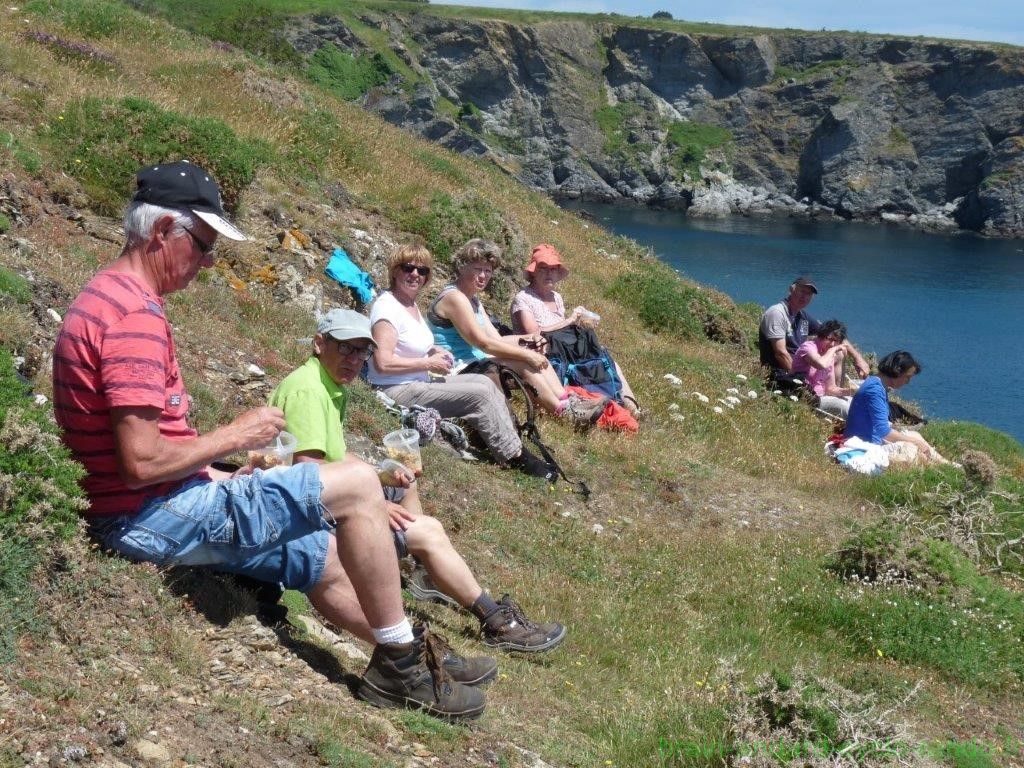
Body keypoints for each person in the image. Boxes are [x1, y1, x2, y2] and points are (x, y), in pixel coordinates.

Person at [51, 160, 485, 721]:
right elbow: (139, 463)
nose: (208, 262)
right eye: (204, 245)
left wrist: (220, 470)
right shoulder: (134, 317)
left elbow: (135, 453)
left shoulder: (107, 295)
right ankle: (403, 663)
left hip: (148, 503)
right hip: (145, 517)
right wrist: (235, 435)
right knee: (355, 485)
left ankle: (414, 659)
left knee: (325, 555)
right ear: (163, 232)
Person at [269, 308, 567, 654]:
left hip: (321, 499)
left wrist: (380, 470)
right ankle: (494, 619)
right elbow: (308, 474)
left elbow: (330, 456)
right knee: (428, 530)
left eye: (361, 351)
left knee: (404, 481)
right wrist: (375, 504)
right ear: (319, 344)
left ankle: (423, 567)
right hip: (305, 517)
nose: (354, 359)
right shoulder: (309, 392)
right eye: (345, 348)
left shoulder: (327, 383)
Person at [366, 243, 556, 480]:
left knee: (484, 383)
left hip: (417, 381)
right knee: (479, 395)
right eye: (408, 268)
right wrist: (428, 363)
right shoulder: (387, 308)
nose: (415, 275)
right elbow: (382, 363)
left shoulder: (408, 304)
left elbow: (408, 344)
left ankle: (514, 443)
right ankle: (515, 457)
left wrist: (431, 349)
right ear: (394, 271)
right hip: (396, 389)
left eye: (422, 271)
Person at [427, 238, 607, 427]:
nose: (483, 276)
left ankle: (567, 400)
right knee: (524, 361)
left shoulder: (473, 300)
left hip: (475, 361)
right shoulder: (455, 298)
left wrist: (527, 340)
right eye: (477, 269)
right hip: (458, 368)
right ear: (462, 267)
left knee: (533, 351)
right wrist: (526, 354)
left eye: (487, 271)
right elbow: (483, 343)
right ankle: (564, 413)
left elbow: (496, 339)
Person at [510, 243, 639, 415]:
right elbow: (534, 334)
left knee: (607, 360)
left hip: (564, 349)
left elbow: (562, 330)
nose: (549, 273)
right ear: (534, 271)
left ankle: (632, 406)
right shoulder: (523, 299)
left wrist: (579, 323)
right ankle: (601, 404)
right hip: (542, 351)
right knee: (589, 364)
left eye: (553, 269)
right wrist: (570, 320)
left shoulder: (556, 297)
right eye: (543, 268)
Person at [758, 276, 869, 390]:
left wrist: (858, 358)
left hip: (802, 367)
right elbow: (780, 353)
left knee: (839, 353)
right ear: (791, 289)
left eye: (809, 294)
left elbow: (833, 334)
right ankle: (822, 394)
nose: (804, 297)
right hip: (781, 373)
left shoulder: (802, 316)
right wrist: (799, 382)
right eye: (802, 291)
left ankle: (834, 390)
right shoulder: (777, 313)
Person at [844, 351, 950, 463]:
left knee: (914, 435)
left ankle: (947, 464)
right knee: (912, 448)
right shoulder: (875, 390)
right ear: (897, 371)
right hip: (864, 445)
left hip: (869, 439)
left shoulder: (877, 384)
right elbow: (883, 431)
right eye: (907, 377)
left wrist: (914, 440)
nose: (908, 382)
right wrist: (915, 442)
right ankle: (940, 466)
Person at [790, 319, 857, 418]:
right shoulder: (808, 347)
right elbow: (821, 364)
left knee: (855, 403)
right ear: (821, 335)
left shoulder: (828, 355)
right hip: (805, 396)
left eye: (836, 341)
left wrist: (851, 392)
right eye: (830, 339)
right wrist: (834, 350)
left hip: (822, 397)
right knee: (845, 407)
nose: (832, 344)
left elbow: (831, 388)